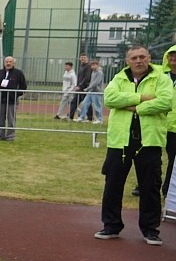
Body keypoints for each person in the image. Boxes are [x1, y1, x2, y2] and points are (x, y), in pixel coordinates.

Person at [95, 45, 173, 245]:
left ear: (149, 58)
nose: (139, 61)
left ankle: (150, 230)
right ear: (127, 61)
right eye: (134, 58)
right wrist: (142, 98)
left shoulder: (161, 79)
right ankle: (111, 225)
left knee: (150, 186)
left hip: (149, 141)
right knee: (113, 184)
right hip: (120, 141)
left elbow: (165, 102)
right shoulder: (119, 78)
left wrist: (134, 108)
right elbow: (110, 98)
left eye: (142, 57)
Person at [0, 55, 28, 141]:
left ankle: (10, 136)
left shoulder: (18, 73)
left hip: (12, 100)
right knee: (0, 118)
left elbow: (23, 86)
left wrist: (17, 94)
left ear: (13, 63)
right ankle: (0, 135)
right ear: (4, 63)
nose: (8, 63)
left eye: (10, 62)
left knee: (11, 118)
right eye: (7, 62)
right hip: (0, 99)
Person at [162, 46, 176, 196]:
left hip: (174, 127)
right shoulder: (161, 75)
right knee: (148, 157)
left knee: (173, 159)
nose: (174, 58)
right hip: (158, 123)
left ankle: (167, 189)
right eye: (171, 55)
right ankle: (143, 186)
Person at [71, 54, 92, 120]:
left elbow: (87, 77)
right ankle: (70, 116)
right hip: (80, 88)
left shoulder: (88, 67)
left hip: (84, 88)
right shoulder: (81, 66)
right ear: (79, 59)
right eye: (82, 58)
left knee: (86, 103)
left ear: (87, 58)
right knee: (74, 102)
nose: (83, 59)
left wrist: (80, 86)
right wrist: (77, 86)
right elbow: (80, 78)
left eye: (84, 58)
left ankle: (90, 117)